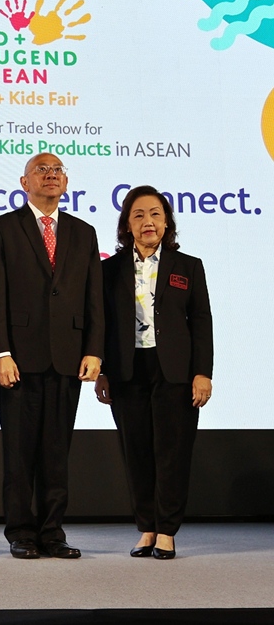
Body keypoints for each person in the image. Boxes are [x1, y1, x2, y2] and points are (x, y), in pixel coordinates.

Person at [0, 152, 104, 559]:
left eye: (57, 170)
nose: (51, 175)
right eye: (41, 170)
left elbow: (94, 298)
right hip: (17, 359)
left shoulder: (84, 232)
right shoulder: (0, 228)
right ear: (24, 182)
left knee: (56, 452)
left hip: (68, 357)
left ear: (65, 182)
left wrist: (94, 351)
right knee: (19, 453)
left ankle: (53, 532)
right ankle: (20, 532)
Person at [94, 185, 213, 560]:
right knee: (137, 451)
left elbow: (201, 322)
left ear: (166, 223)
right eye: (139, 215)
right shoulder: (108, 269)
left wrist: (202, 372)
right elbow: (101, 324)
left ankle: (167, 531)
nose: (148, 221)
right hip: (126, 370)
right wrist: (101, 370)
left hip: (175, 371)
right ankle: (146, 527)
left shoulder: (188, 266)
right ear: (127, 225)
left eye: (156, 214)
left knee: (172, 452)